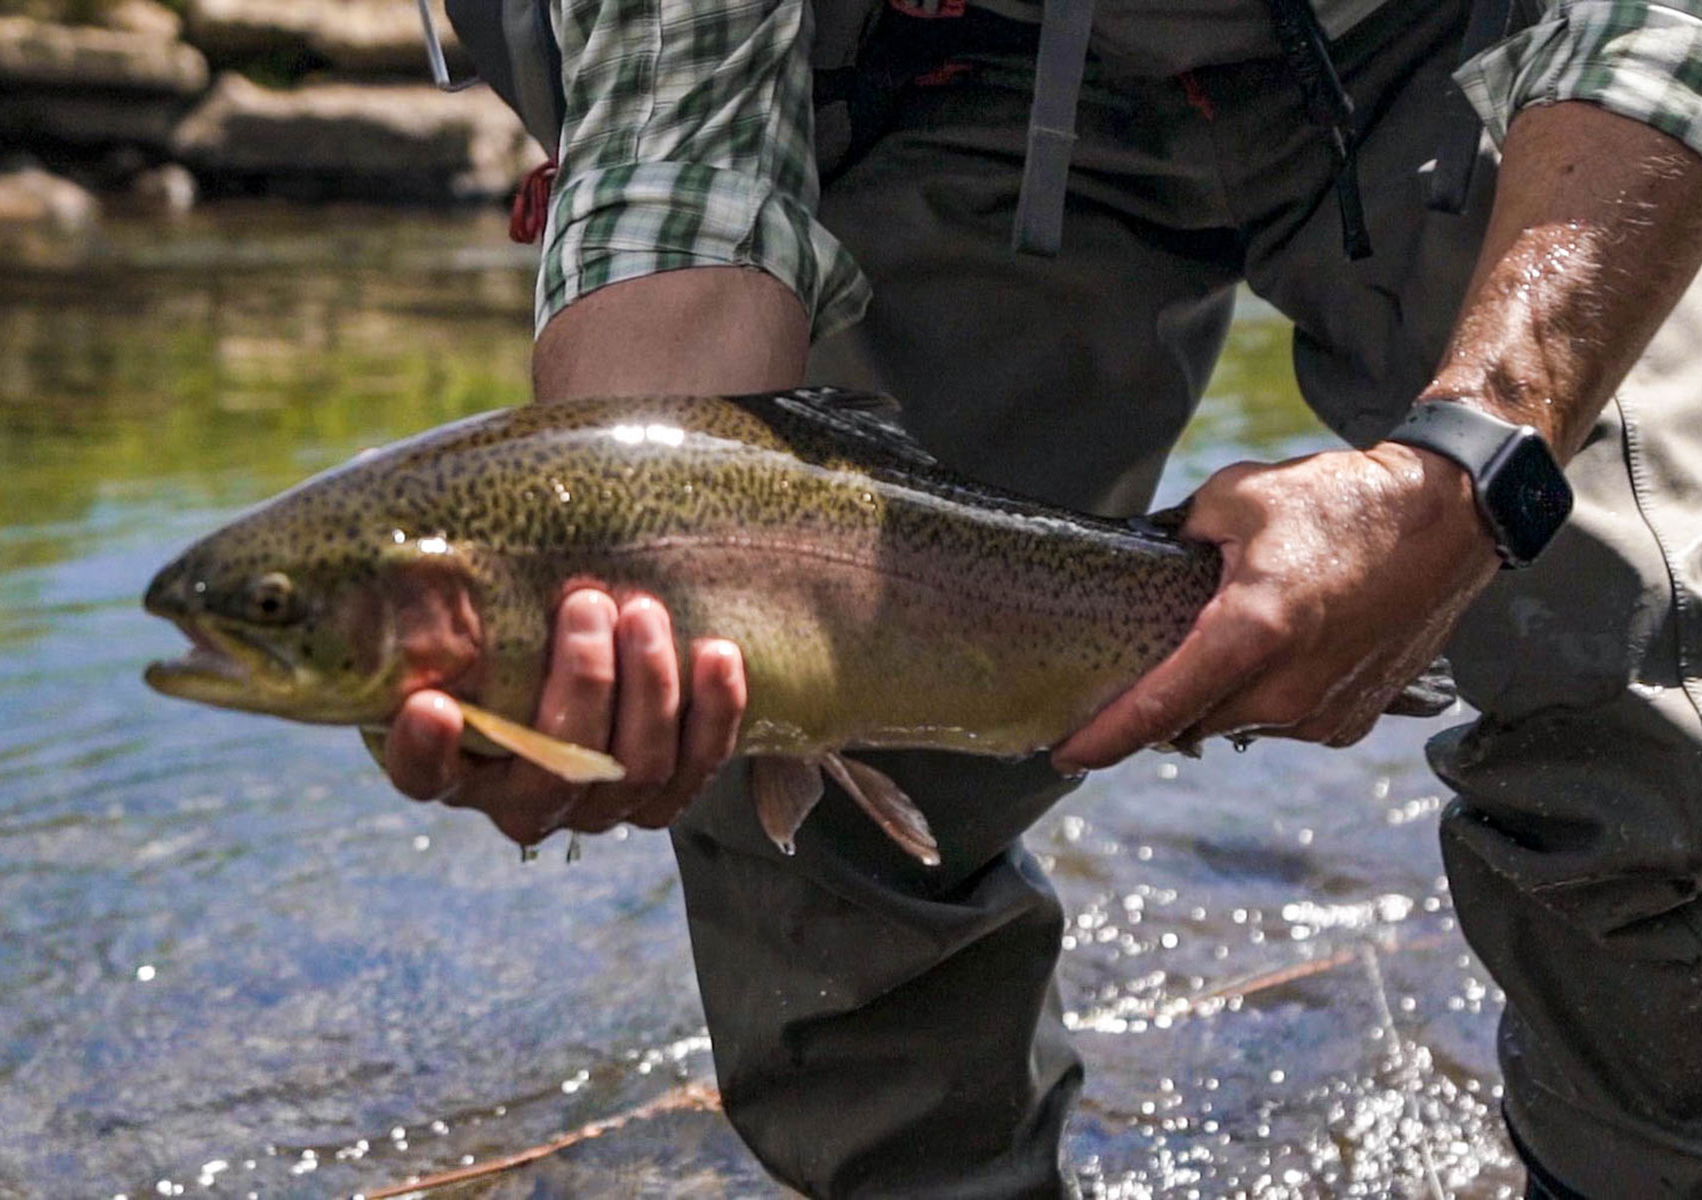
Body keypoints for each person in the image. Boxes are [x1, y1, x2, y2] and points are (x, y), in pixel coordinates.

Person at [382, 0, 1702, 1191]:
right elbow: (681, 142)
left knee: (1649, 682)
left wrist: (1472, 468)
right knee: (793, 742)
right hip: (951, 71)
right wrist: (627, 608)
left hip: (1449, 37)